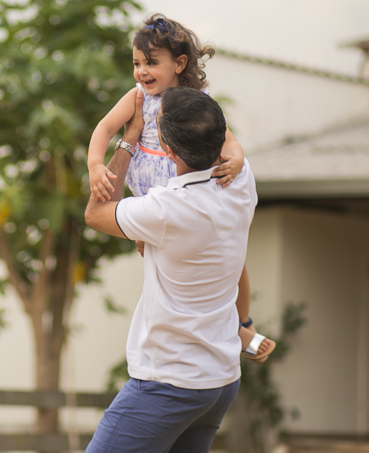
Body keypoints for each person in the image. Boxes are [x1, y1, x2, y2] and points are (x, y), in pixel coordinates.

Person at [87, 14, 273, 362]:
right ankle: (220, 332)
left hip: (187, 191)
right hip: (153, 197)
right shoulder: (138, 97)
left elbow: (229, 140)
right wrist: (95, 165)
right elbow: (104, 127)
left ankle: (241, 323)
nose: (142, 71)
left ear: (180, 63)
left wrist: (234, 158)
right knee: (165, 267)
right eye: (137, 63)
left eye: (151, 63)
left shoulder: (194, 101)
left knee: (234, 264)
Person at [84, 87, 257, 453]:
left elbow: (95, 214)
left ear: (168, 149)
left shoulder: (167, 208)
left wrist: (129, 140)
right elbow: (231, 146)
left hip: (170, 382)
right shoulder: (242, 182)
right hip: (220, 380)